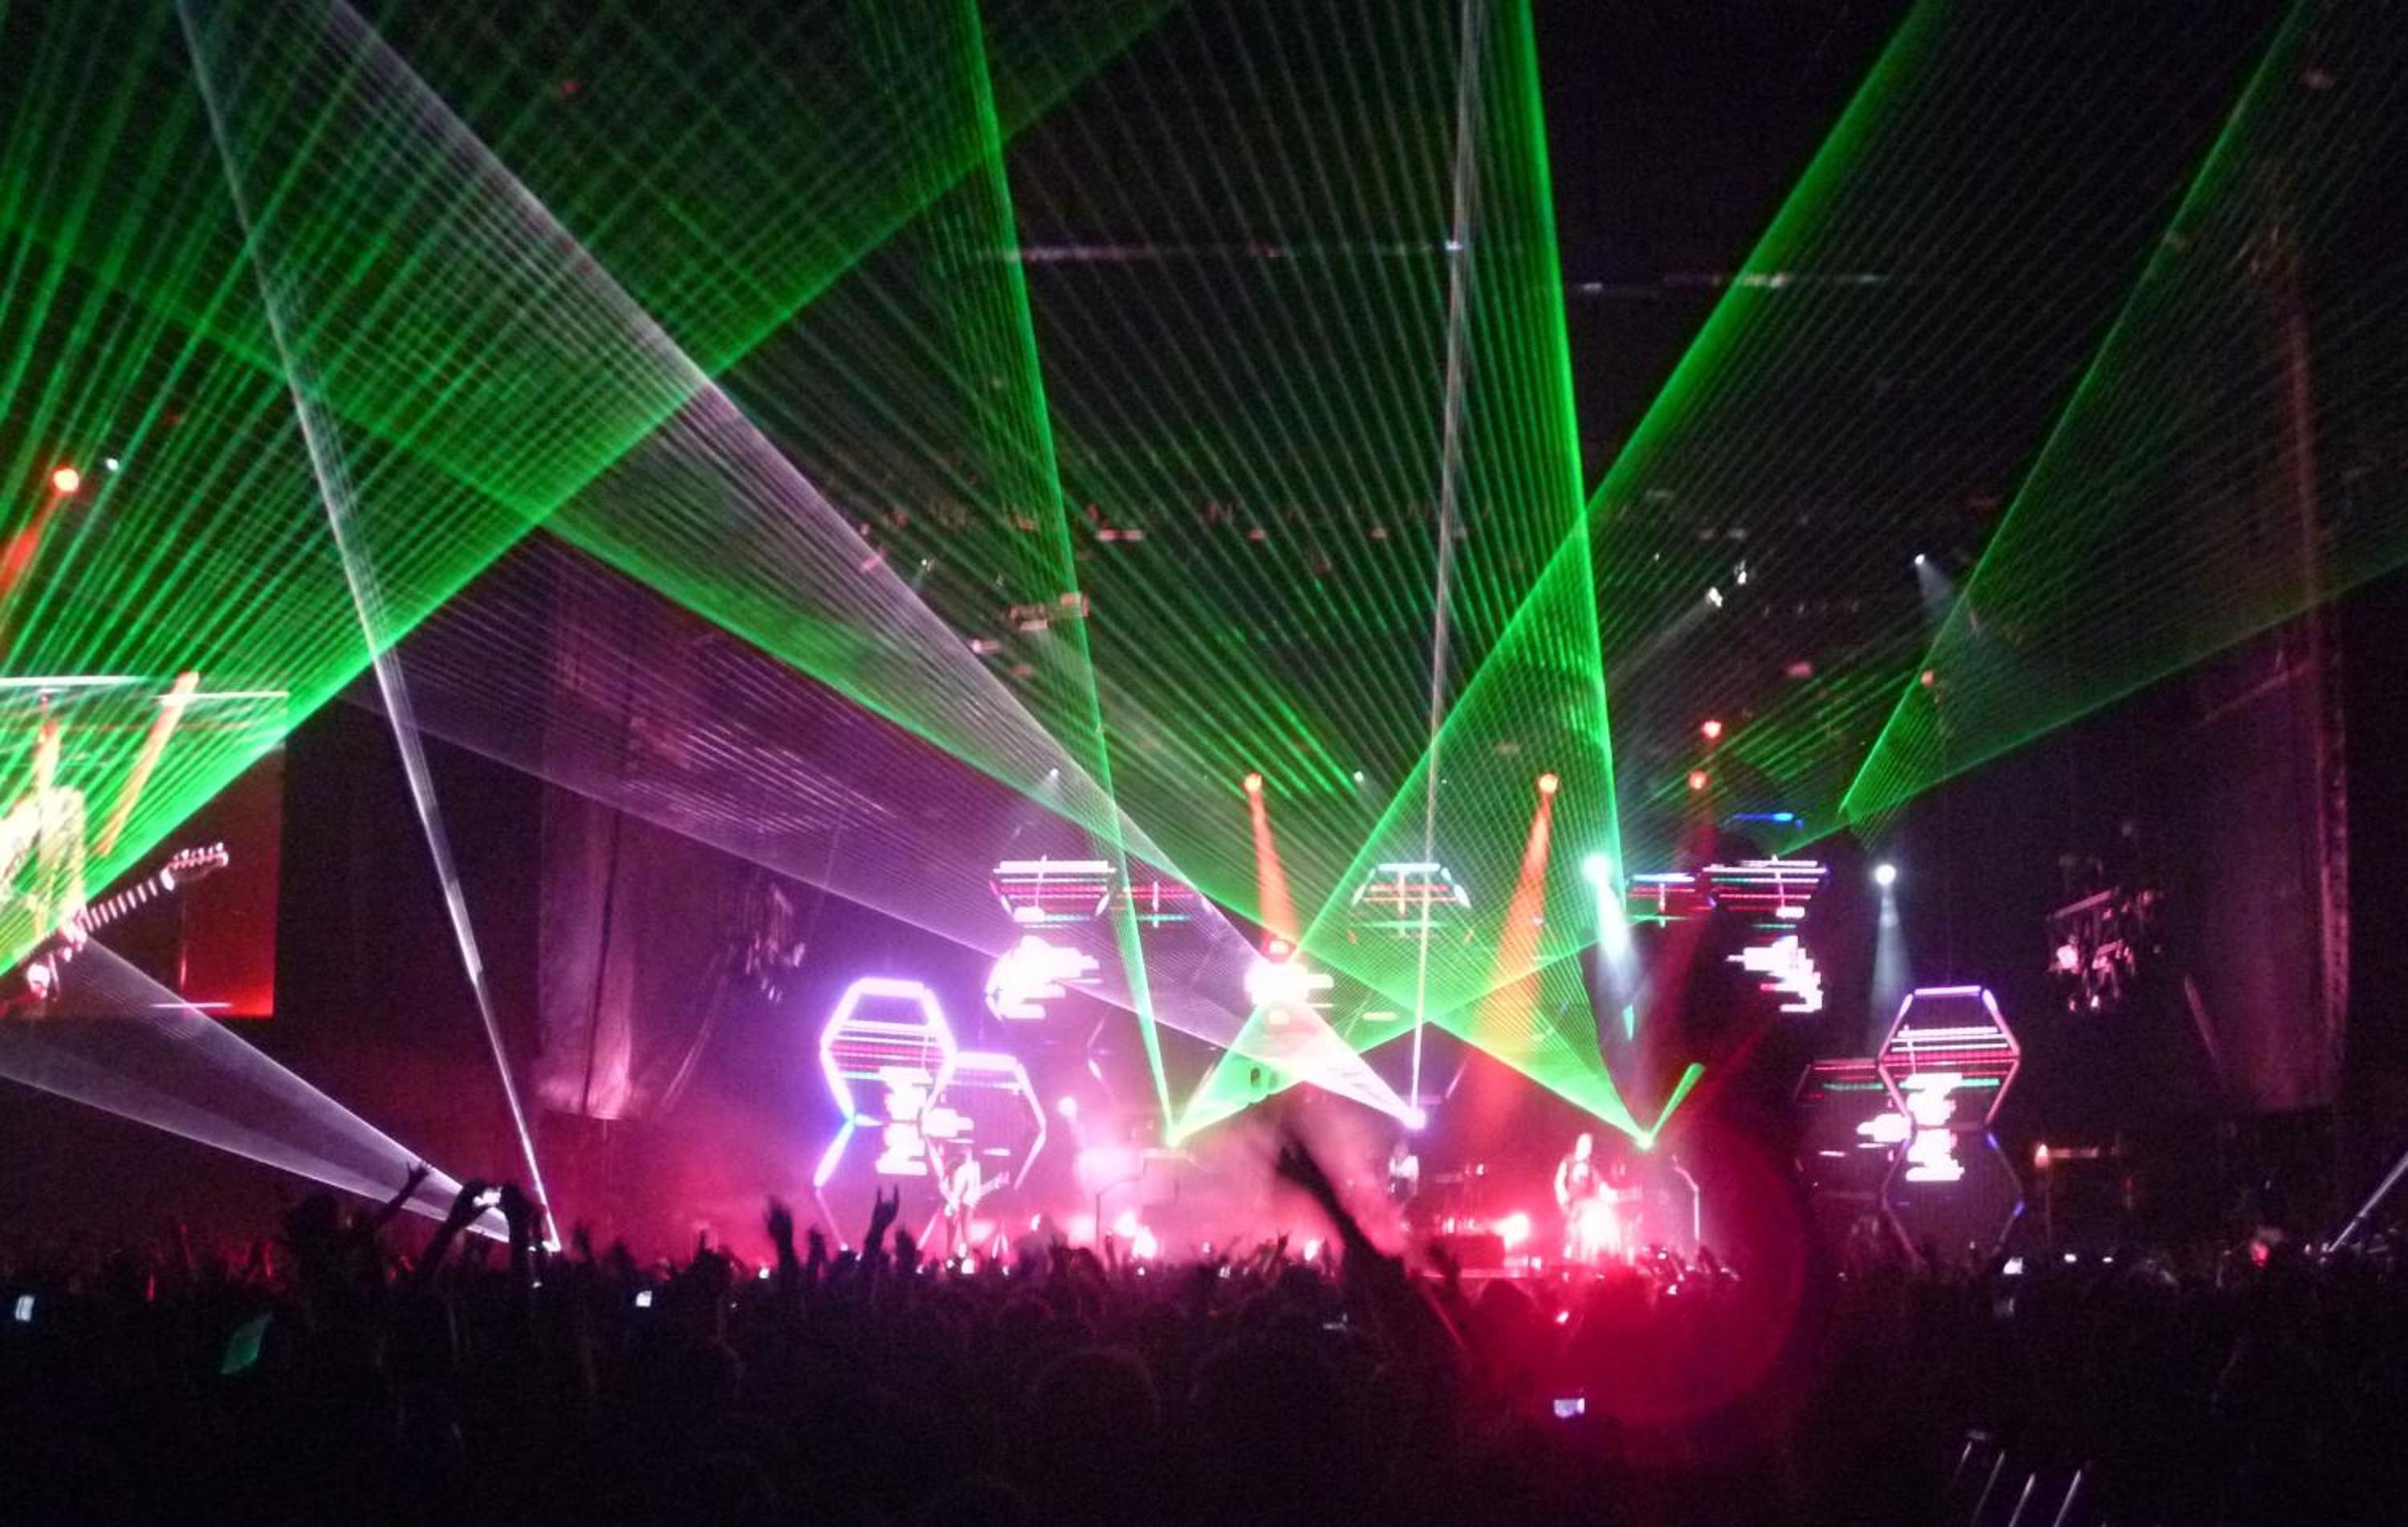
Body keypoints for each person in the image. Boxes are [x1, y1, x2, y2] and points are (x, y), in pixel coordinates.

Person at [1, 716, 87, 1000]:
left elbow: (72, 880)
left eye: (45, 743)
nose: (37, 754)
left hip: (30, 968)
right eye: (31, 744)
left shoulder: (67, 806)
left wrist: (70, 911)